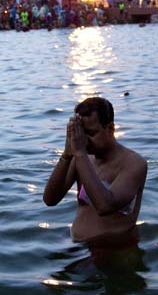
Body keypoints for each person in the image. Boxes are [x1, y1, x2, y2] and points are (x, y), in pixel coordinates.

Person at [44, 97, 147, 245]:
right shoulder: (81, 158)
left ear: (111, 129)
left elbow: (105, 206)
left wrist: (79, 154)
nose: (84, 141)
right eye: (81, 133)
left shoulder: (133, 163)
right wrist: (66, 155)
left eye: (91, 133)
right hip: (78, 246)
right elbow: (50, 200)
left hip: (114, 248)